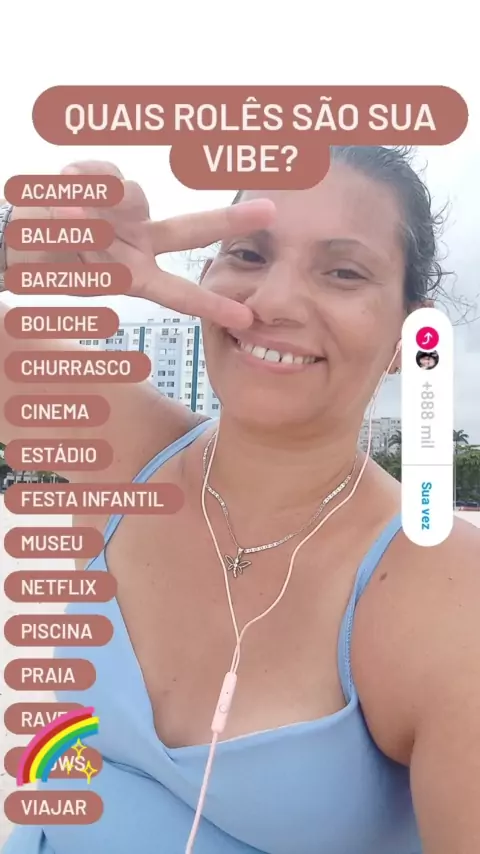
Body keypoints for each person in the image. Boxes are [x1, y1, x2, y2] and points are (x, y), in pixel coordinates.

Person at [1, 146, 480, 854]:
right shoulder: (125, 448)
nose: (273, 302)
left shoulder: (442, 588)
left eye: (343, 272)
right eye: (249, 255)